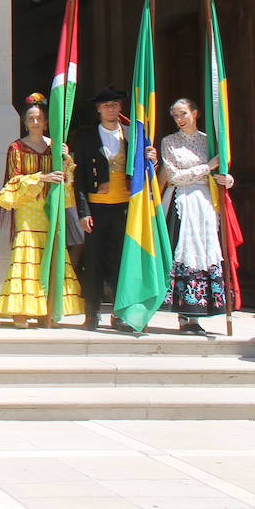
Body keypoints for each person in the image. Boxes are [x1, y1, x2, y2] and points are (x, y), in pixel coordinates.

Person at [0, 93, 86, 327]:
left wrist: (66, 159)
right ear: (25, 122)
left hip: (49, 209)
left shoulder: (55, 147)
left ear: (46, 122)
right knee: (26, 255)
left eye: (40, 119)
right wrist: (42, 177)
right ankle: (21, 311)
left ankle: (47, 309)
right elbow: (13, 181)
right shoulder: (16, 147)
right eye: (31, 119)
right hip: (28, 207)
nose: (35, 123)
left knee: (50, 255)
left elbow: (68, 180)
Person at [70, 86, 156, 331]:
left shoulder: (132, 135)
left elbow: (144, 170)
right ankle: (92, 312)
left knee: (121, 261)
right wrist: (83, 212)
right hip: (97, 208)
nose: (111, 109)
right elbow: (81, 178)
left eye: (115, 105)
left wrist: (151, 157)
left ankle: (120, 313)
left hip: (125, 208)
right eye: (107, 106)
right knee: (94, 261)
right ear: (98, 109)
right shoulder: (86, 136)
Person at [160, 98, 235, 334]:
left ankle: (199, 313)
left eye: (183, 114)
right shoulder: (169, 142)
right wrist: (206, 167)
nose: (179, 119)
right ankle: (184, 314)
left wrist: (227, 179)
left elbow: (219, 172)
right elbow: (174, 176)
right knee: (184, 254)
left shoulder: (208, 141)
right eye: (175, 115)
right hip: (182, 200)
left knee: (205, 254)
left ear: (195, 113)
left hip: (205, 204)